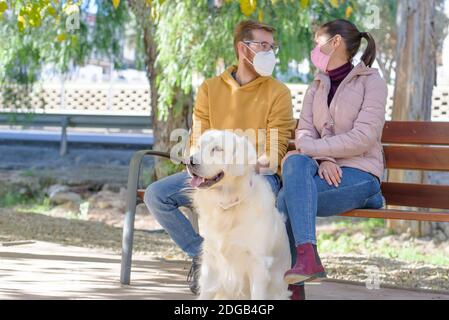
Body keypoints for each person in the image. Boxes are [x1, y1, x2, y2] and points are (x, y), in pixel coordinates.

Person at [144, 20, 297, 297]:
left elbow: (275, 150)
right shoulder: (210, 88)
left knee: (253, 199)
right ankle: (202, 255)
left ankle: (249, 270)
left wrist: (241, 164)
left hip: (255, 175)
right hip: (211, 172)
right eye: (263, 45)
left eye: (272, 46)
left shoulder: (278, 93)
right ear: (243, 48)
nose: (270, 52)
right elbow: (197, 139)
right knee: (156, 195)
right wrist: (197, 161)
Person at [276, 19, 388, 289]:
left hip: (361, 173)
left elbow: (363, 138)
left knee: (285, 199)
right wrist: (324, 159)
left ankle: (294, 289)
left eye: (317, 43)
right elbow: (303, 132)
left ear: (335, 42)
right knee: (293, 161)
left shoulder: (371, 83)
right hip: (325, 172)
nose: (314, 50)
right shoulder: (317, 86)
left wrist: (316, 151)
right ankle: (307, 258)